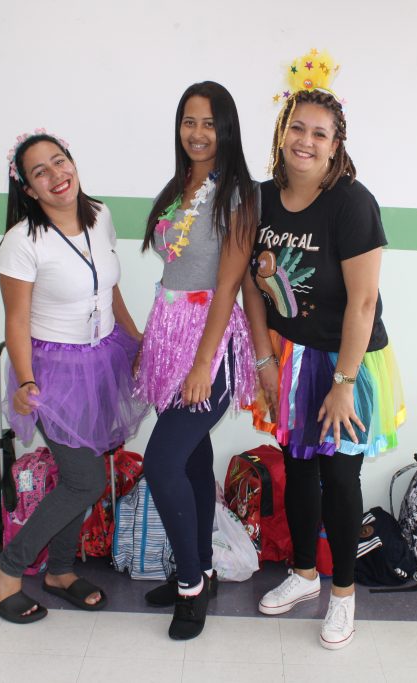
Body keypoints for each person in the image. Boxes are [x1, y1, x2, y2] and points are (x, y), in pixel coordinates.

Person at [242, 54, 405, 650]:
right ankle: (305, 573)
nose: (305, 141)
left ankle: (343, 594)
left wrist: (343, 383)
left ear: (336, 146)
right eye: (297, 128)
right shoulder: (259, 199)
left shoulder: (352, 203)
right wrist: (264, 361)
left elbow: (363, 304)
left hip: (347, 361)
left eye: (319, 133)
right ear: (281, 133)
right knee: (298, 470)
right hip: (290, 358)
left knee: (339, 477)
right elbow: (249, 287)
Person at [0, 130, 148, 624]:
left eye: (59, 161)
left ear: (72, 161)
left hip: (103, 358)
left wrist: (134, 339)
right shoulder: (21, 242)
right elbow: (16, 320)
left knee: (83, 476)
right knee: (84, 480)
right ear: (28, 189)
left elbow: (108, 287)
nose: (55, 175)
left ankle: (61, 571)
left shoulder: (101, 215)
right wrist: (26, 381)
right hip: (53, 372)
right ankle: (8, 567)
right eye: (40, 172)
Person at [134, 82, 259, 641]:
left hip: (211, 345)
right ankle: (202, 570)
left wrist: (203, 364)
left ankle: (189, 587)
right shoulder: (178, 186)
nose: (198, 133)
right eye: (189, 121)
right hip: (170, 341)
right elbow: (173, 271)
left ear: (226, 129)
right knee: (189, 461)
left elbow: (228, 285)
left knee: (161, 463)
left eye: (209, 123)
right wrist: (152, 344)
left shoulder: (238, 195)